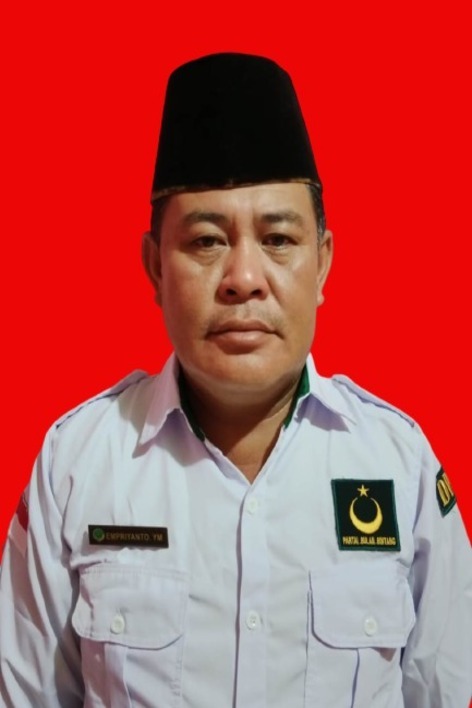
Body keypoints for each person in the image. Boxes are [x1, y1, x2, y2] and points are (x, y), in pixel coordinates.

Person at [0, 52, 471, 708]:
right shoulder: (76, 464)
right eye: (205, 241)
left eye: (278, 239)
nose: (244, 279)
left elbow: (444, 691)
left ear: (323, 262)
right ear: (155, 267)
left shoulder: (399, 464)